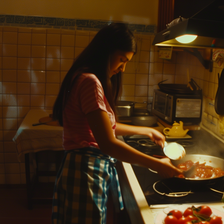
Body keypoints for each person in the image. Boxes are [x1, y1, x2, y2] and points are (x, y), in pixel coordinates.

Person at [51, 23, 182, 224]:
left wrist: (146, 131)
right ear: (106, 52)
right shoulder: (90, 82)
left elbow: (101, 128)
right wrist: (157, 165)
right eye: (122, 60)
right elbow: (108, 143)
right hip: (85, 173)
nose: (123, 68)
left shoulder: (82, 75)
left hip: (82, 170)